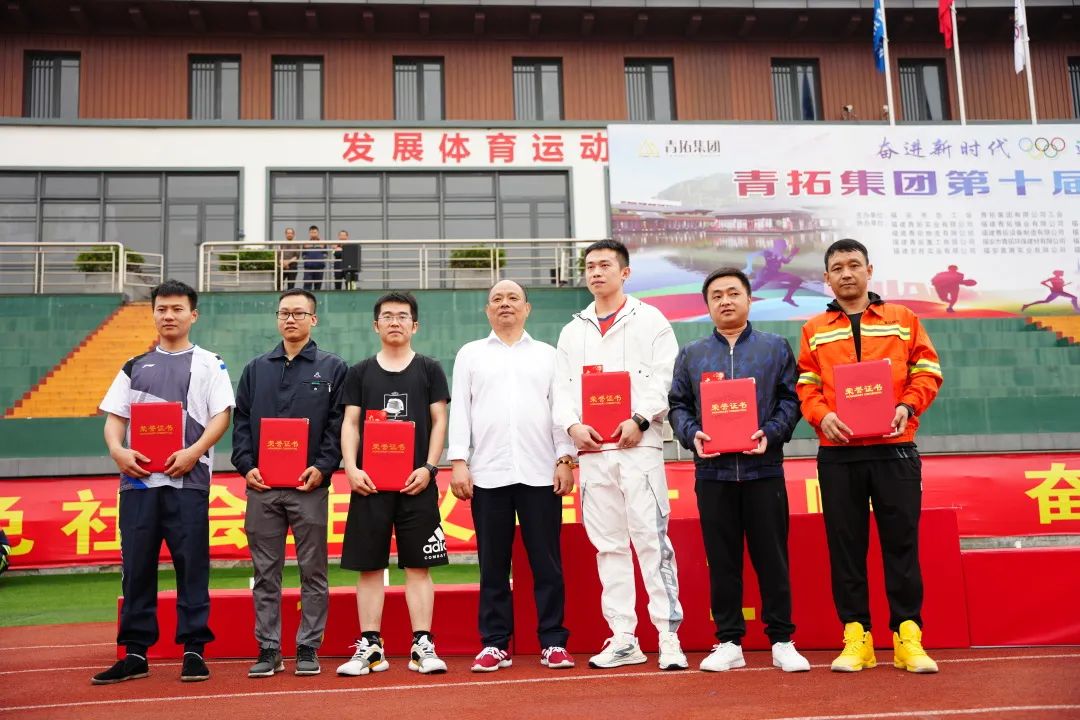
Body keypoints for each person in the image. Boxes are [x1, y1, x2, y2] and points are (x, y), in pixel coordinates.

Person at [796, 238, 943, 674]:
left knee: (902, 545)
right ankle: (856, 637)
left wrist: (908, 406)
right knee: (846, 549)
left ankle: (907, 637)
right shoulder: (814, 329)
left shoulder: (903, 319)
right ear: (826, 278)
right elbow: (806, 384)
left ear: (869, 270)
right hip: (838, 454)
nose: (846, 273)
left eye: (854, 265)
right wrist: (822, 417)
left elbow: (927, 370)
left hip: (895, 450)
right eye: (838, 268)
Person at [552, 239, 688, 671]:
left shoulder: (651, 320)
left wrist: (641, 419)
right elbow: (561, 389)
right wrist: (573, 427)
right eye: (590, 266)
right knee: (608, 546)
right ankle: (624, 636)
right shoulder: (573, 330)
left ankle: (668, 636)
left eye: (605, 265)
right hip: (593, 452)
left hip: (638, 447)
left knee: (651, 541)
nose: (596, 272)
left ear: (625, 272)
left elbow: (666, 377)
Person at [92, 279, 234, 685]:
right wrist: (117, 451)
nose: (168, 315)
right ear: (153, 313)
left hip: (189, 481)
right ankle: (135, 653)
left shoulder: (210, 363)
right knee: (136, 567)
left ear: (193, 315)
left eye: (177, 309)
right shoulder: (134, 365)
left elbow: (222, 415)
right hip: (138, 483)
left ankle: (194, 650)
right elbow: (115, 419)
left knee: (192, 566)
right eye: (161, 309)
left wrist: (193, 452)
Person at [668, 267, 809, 673]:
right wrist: (691, 434)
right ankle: (729, 641)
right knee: (722, 560)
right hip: (712, 475)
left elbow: (791, 399)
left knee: (772, 559)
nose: (725, 301)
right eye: (716, 296)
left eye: (733, 293)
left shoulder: (774, 348)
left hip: (763, 470)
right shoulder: (692, 354)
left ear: (749, 299)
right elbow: (678, 405)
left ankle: (782, 640)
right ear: (707, 305)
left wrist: (772, 432)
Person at [448, 280, 577, 673]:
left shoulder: (549, 355)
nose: (505, 304)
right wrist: (458, 460)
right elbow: (461, 411)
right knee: (492, 565)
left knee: (547, 564)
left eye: (513, 298)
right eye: (497, 299)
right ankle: (494, 644)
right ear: (488, 310)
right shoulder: (470, 354)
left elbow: (561, 410)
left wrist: (565, 458)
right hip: (488, 474)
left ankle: (553, 642)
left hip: (541, 473)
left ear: (527, 308)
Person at [231, 289, 348, 679]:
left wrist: (323, 467)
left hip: (308, 487)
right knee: (266, 573)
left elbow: (338, 425)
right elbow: (241, 422)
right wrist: (246, 466)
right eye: (284, 313)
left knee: (313, 570)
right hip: (262, 487)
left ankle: (308, 647)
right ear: (277, 319)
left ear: (314, 319)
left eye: (299, 313)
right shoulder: (256, 368)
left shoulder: (333, 368)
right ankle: (269, 648)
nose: (291, 319)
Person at [336, 291, 451, 677]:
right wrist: (352, 468)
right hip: (369, 485)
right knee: (369, 567)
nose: (395, 321)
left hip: (417, 484)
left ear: (414, 325)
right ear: (376, 325)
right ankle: (370, 646)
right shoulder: (360, 372)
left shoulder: (430, 369)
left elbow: (439, 421)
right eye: (387, 316)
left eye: (403, 316)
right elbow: (350, 423)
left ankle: (422, 644)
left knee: (419, 567)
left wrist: (430, 468)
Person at [301, 225, 327, 291]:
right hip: (308, 268)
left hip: (319, 268)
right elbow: (303, 255)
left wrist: (320, 259)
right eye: (312, 232)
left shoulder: (322, 243)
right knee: (307, 286)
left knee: (318, 286)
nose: (313, 234)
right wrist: (309, 260)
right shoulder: (306, 243)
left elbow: (326, 254)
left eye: (315, 232)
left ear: (318, 233)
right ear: (309, 233)